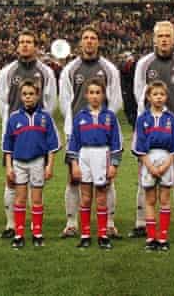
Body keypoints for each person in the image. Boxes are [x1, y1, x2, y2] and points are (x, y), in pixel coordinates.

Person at [59, 26, 123, 239]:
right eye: (85, 38)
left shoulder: (109, 69)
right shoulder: (70, 69)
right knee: (73, 177)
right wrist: (73, 125)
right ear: (80, 42)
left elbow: (115, 100)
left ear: (98, 42)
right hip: (77, 131)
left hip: (102, 132)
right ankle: (71, 223)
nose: (89, 41)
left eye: (93, 38)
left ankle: (109, 224)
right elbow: (65, 101)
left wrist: (104, 123)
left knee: (107, 179)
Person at [133, 21, 174, 239]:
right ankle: (141, 223)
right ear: (154, 39)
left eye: (168, 36)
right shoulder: (144, 64)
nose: (164, 39)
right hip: (150, 131)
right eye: (160, 36)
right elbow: (139, 96)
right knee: (144, 174)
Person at [0, 30, 56, 239]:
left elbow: (50, 102)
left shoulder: (46, 72)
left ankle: (34, 227)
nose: (24, 45)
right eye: (21, 41)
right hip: (16, 132)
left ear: (36, 46)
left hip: (36, 133)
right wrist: (10, 125)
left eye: (29, 42)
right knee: (11, 179)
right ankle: (11, 224)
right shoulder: (8, 71)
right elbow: (2, 102)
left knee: (35, 185)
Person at [1, 80, 60, 249]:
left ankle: (37, 233)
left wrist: (49, 166)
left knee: (36, 199)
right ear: (21, 96)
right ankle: (19, 234)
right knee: (20, 199)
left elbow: (52, 144)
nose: (28, 97)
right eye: (25, 94)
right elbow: (8, 145)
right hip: (19, 163)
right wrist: (9, 167)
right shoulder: (14, 118)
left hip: (37, 162)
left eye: (31, 94)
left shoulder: (45, 117)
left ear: (38, 95)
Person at [67, 78, 123, 250]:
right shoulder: (80, 117)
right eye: (91, 92)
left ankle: (102, 235)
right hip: (84, 156)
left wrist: (113, 165)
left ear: (103, 95)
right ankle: (85, 235)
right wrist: (74, 164)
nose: (94, 96)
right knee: (85, 198)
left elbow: (116, 143)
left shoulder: (110, 117)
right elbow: (73, 142)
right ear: (86, 95)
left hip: (102, 155)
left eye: (98, 92)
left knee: (101, 197)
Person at [132, 81, 174, 252]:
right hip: (148, 160)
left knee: (165, 200)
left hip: (166, 159)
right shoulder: (142, 119)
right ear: (149, 97)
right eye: (155, 94)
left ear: (166, 97)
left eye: (162, 94)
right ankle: (151, 237)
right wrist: (150, 166)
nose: (159, 97)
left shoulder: (171, 119)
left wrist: (167, 164)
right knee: (150, 200)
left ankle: (163, 237)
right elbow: (138, 146)